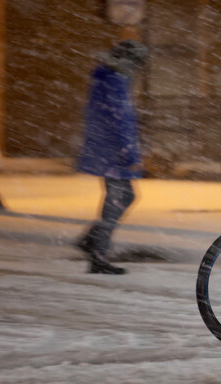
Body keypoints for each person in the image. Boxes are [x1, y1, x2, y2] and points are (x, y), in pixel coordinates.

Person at [75, 40, 148, 274]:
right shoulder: (116, 81)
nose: (138, 69)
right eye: (137, 63)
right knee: (118, 200)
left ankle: (92, 242)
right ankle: (98, 255)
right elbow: (122, 119)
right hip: (115, 152)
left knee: (120, 198)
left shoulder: (103, 77)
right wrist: (130, 152)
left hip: (103, 148)